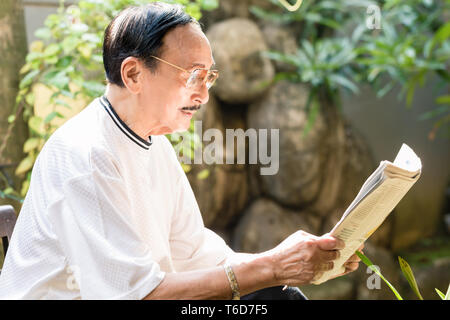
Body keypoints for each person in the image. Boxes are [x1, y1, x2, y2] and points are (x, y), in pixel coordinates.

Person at [0, 2, 362, 300]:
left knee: (277, 297)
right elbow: (136, 296)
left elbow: (193, 253)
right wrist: (272, 265)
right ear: (133, 75)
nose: (203, 94)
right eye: (193, 75)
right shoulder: (87, 153)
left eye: (209, 77)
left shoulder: (154, 143)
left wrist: (294, 264)